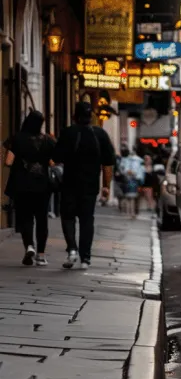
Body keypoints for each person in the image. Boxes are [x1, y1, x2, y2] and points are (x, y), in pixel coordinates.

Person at [54, 101, 115, 269]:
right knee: (87, 220)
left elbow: (57, 156)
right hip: (90, 186)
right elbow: (108, 163)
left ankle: (72, 249)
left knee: (68, 217)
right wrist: (106, 186)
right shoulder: (100, 134)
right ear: (91, 116)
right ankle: (85, 258)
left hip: (69, 184)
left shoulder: (67, 132)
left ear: (74, 116)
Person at [4, 110, 56, 266]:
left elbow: (8, 161)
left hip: (22, 185)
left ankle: (29, 247)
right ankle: (41, 255)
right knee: (41, 220)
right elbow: (54, 162)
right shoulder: (48, 140)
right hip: (42, 185)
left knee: (25, 217)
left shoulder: (17, 138)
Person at [122, 147, 145, 217]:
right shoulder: (138, 161)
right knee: (132, 198)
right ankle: (131, 212)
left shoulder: (128, 160)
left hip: (130, 181)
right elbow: (140, 172)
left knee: (130, 198)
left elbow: (124, 170)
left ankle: (130, 212)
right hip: (133, 181)